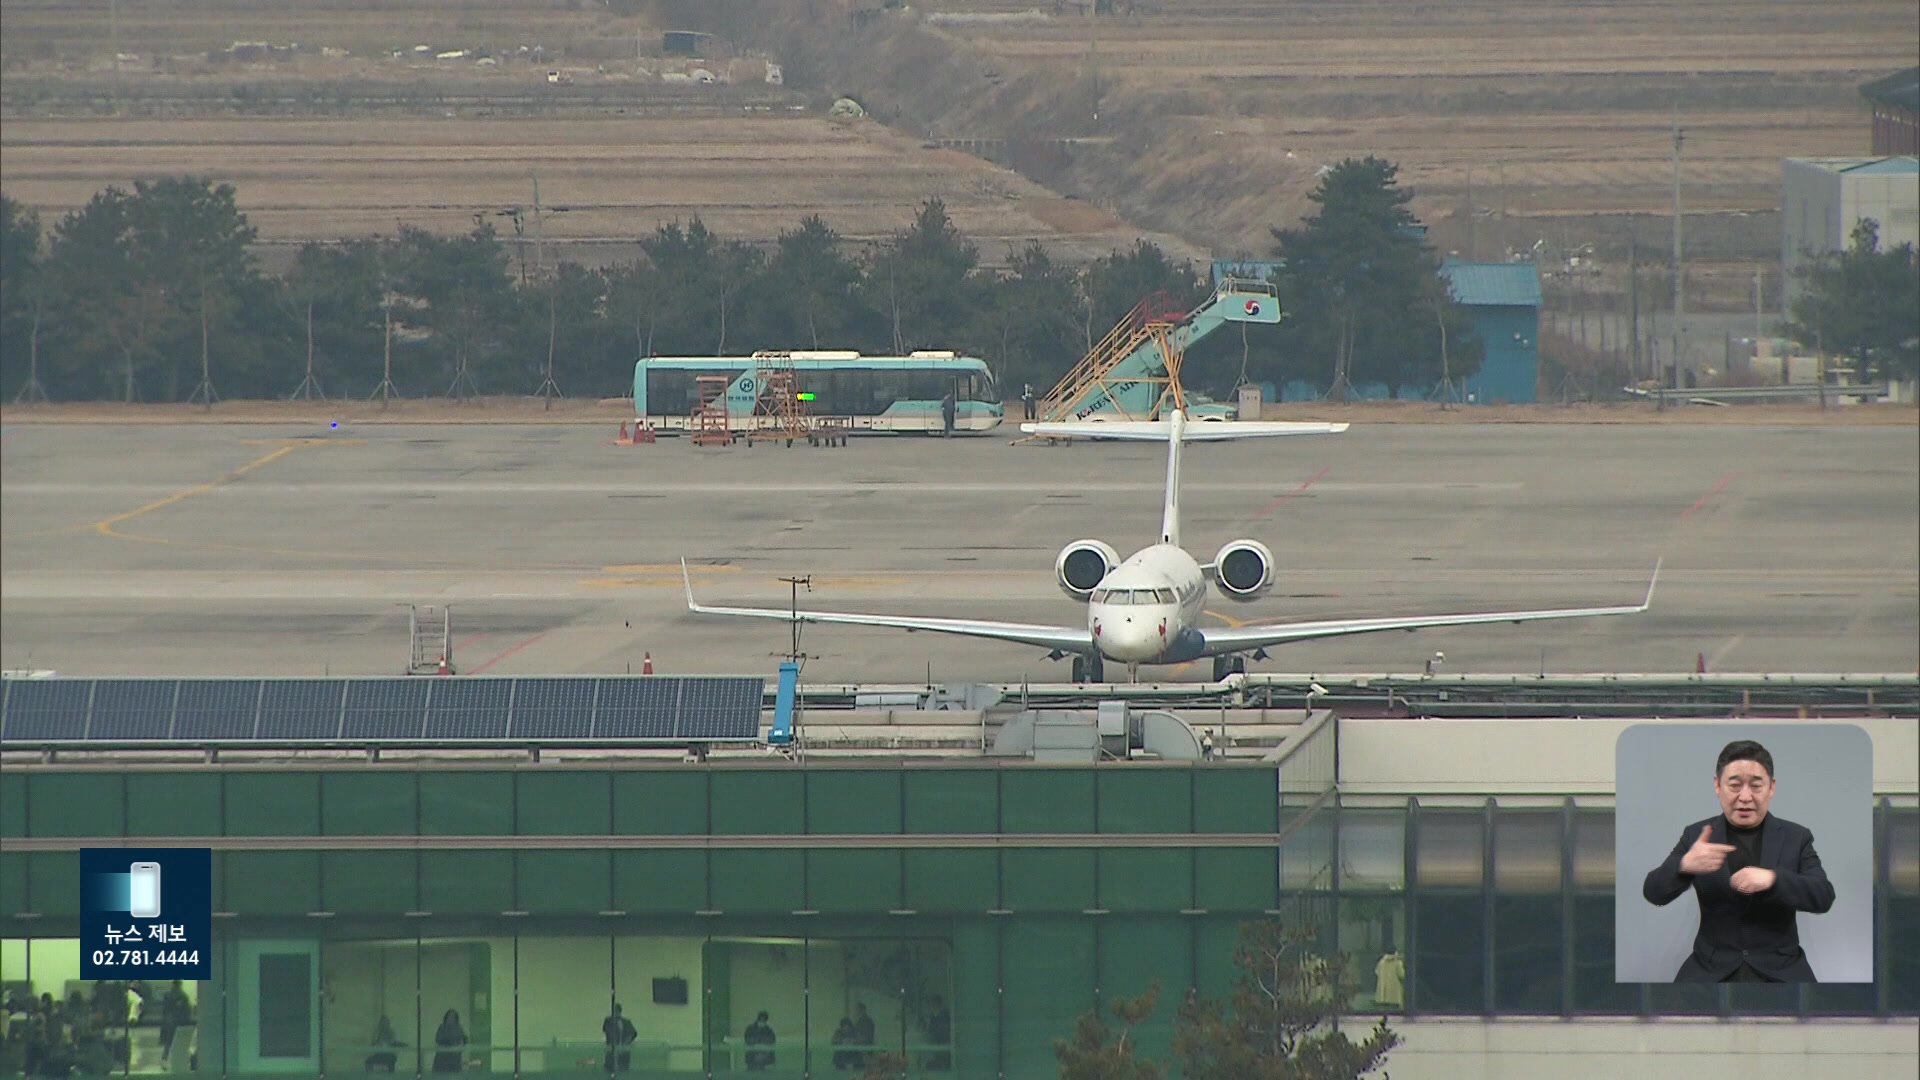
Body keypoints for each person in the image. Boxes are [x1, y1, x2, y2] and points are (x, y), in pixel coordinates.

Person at [1641, 739, 1835, 982]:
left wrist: (1773, 879)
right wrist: (1684, 866)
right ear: (1717, 785)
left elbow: (1823, 896)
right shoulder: (1697, 834)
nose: (1745, 797)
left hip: (1781, 969)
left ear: (1771, 787)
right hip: (1711, 969)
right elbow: (1653, 892)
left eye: (1756, 785)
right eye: (1734, 785)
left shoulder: (1796, 837)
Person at [602, 1003, 636, 1073]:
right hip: (612, 1050)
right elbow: (606, 1030)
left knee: (623, 1069)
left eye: (616, 1011)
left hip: (623, 1050)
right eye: (614, 1011)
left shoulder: (626, 1022)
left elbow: (633, 1033)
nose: (615, 1013)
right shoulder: (608, 1021)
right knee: (609, 1070)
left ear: (619, 1011)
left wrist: (626, 1042)